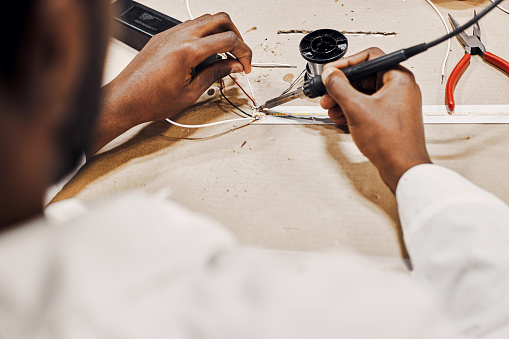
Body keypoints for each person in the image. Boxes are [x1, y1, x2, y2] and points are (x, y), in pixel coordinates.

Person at [0, 0, 508, 338]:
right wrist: (410, 166)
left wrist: (111, 109)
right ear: (55, 39)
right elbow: (490, 307)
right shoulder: (177, 298)